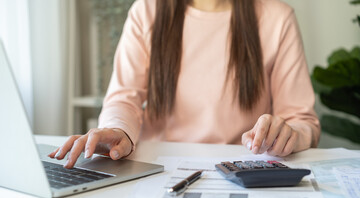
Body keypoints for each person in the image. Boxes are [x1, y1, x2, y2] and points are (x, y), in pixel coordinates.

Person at [49, 0, 320, 168]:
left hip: (242, 169)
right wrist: (118, 131)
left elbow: (302, 119)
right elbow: (122, 100)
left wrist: (289, 135)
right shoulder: (146, 11)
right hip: (158, 169)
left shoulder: (278, 17)